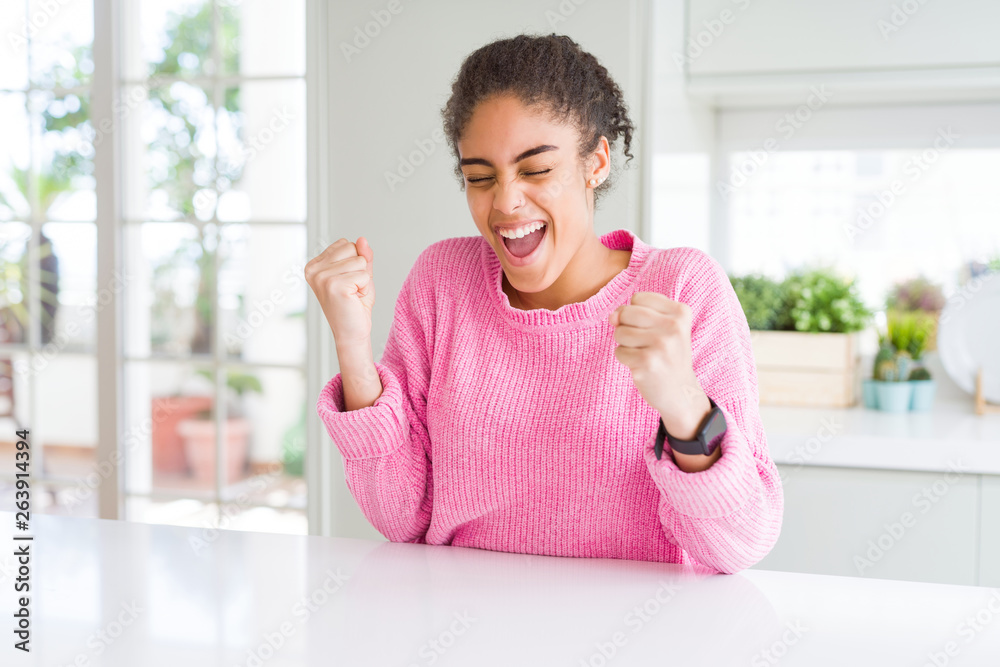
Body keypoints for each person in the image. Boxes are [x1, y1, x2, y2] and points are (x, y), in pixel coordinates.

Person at [305, 34, 782, 574]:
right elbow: (403, 518)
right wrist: (352, 346)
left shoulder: (683, 288)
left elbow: (741, 544)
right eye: (480, 178)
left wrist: (685, 406)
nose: (505, 202)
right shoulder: (442, 282)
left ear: (595, 162)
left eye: (536, 170)